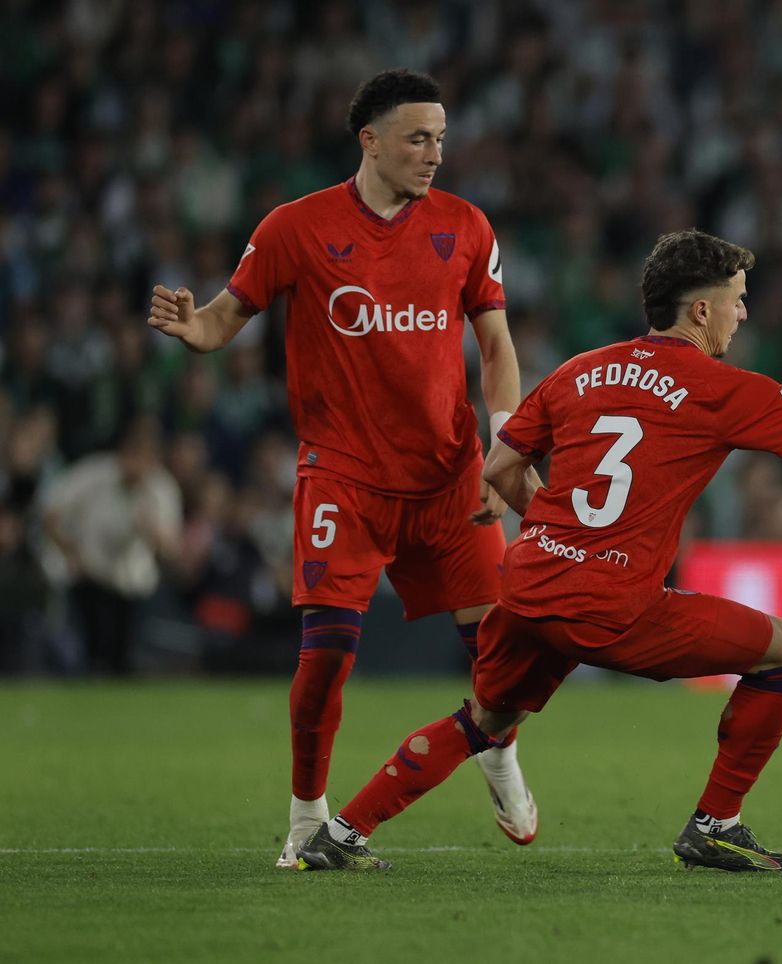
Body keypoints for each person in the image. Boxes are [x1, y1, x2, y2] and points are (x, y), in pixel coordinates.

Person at [293, 229, 782, 872]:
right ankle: (714, 823)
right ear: (699, 309)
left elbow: (497, 470)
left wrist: (555, 526)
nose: (743, 312)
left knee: (481, 722)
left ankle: (342, 831)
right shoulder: (717, 387)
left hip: (527, 585)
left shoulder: (579, 370)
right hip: (616, 605)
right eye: (736, 298)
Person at [146, 69, 536, 867]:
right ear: (371, 140)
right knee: (325, 659)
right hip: (345, 476)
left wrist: (503, 441)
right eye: (418, 138)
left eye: (441, 138)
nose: (434, 154)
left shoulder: (464, 227)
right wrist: (195, 331)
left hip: (449, 475)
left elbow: (495, 345)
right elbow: (228, 315)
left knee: (500, 654)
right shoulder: (297, 226)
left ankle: (497, 749)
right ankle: (304, 821)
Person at [40, 416, 181, 674]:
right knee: (93, 655)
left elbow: (170, 550)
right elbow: (50, 512)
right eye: (132, 454)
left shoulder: (161, 488)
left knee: (124, 658)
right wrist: (69, 550)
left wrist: (151, 530)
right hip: (91, 576)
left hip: (134, 584)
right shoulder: (97, 473)